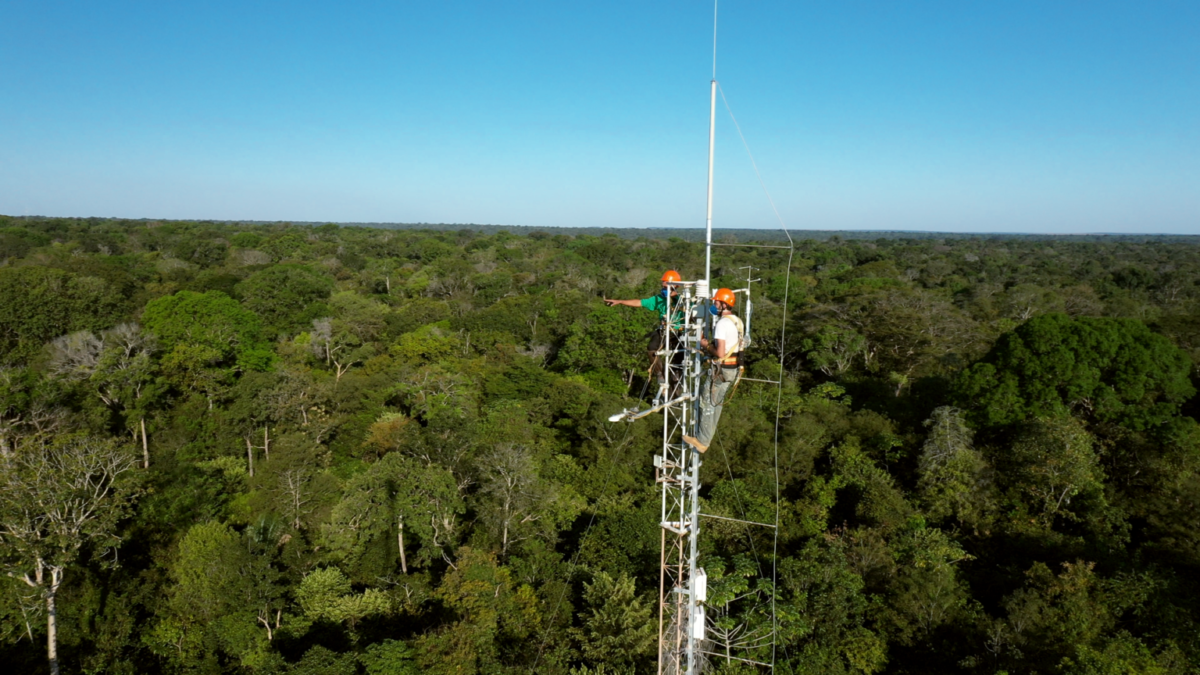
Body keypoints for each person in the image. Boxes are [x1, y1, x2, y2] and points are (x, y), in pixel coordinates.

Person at [683, 288, 743, 453]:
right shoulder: (736, 321)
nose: (714, 304)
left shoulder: (722, 324)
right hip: (733, 369)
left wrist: (705, 345)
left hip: (721, 370)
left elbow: (720, 352)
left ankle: (702, 441)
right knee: (716, 404)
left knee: (707, 403)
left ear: (723, 304)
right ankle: (705, 438)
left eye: (717, 302)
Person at [604, 270, 686, 386]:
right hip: (664, 329)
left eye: (666, 283)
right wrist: (620, 301)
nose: (663, 286)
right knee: (652, 348)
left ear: (675, 286)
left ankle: (677, 373)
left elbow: (691, 312)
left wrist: (676, 299)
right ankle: (659, 373)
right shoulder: (659, 298)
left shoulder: (683, 300)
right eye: (663, 283)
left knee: (680, 350)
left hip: (678, 331)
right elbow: (639, 302)